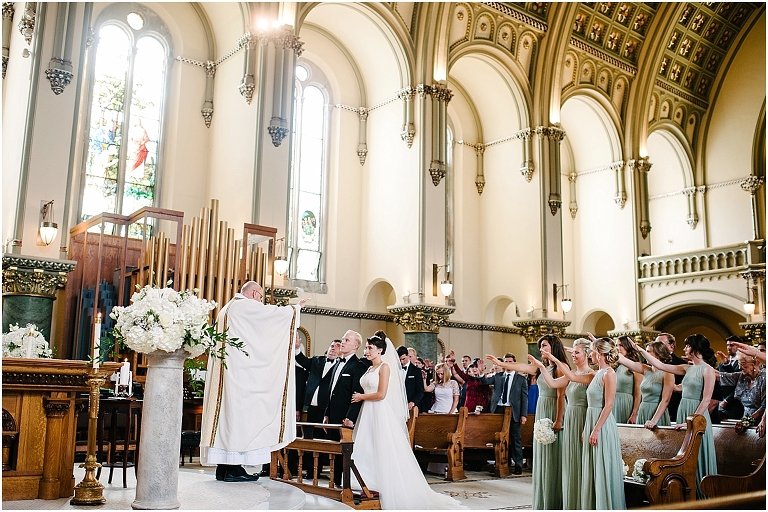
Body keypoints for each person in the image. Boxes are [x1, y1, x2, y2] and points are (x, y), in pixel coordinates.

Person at [199, 281, 309, 482]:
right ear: (254, 293)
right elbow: (270, 316)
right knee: (240, 420)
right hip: (239, 377)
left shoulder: (227, 309)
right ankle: (233, 469)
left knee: (227, 419)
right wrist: (295, 309)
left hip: (228, 374)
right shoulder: (245, 306)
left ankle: (224, 467)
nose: (261, 302)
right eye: (261, 297)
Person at [349, 332, 465, 509]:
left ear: (380, 350)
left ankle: (380, 483)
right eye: (366, 348)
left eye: (370, 348)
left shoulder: (384, 367)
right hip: (367, 411)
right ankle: (364, 481)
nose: (366, 351)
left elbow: (381, 394)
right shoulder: (369, 368)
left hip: (378, 410)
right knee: (366, 445)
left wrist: (361, 396)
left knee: (380, 446)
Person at [487, 334, 566, 510]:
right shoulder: (541, 367)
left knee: (555, 453)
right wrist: (500, 364)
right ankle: (545, 493)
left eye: (544, 345)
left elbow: (561, 396)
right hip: (542, 408)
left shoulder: (560, 367)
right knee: (543, 454)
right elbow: (521, 366)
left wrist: (559, 419)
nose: (541, 349)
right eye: (540, 346)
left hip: (553, 408)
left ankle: (557, 494)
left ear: (553, 347)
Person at [635, 334, 718, 498]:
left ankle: (702, 495)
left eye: (687, 346)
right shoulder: (686, 368)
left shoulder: (708, 370)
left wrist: (692, 421)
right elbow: (660, 365)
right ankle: (686, 491)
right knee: (683, 454)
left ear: (695, 348)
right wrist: (640, 350)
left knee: (697, 452)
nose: (684, 349)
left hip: (696, 415)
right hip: (683, 410)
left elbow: (707, 399)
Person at [527, 338, 593, 509]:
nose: (573, 355)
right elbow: (553, 383)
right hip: (570, 419)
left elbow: (595, 403)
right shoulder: (572, 373)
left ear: (587, 354)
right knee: (569, 463)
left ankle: (581, 504)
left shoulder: (592, 374)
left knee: (579, 462)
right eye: (573, 352)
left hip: (581, 419)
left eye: (576, 352)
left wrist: (554, 359)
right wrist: (542, 366)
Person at [579, 336, 626, 510]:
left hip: (603, 425)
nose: (590, 354)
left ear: (599, 353)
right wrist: (587, 428)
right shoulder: (597, 373)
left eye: (592, 351)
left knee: (602, 466)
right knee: (592, 467)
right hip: (592, 420)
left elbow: (609, 404)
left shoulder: (609, 373)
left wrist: (597, 429)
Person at [324, 330, 370, 486]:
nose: (342, 342)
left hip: (345, 415)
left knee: (344, 451)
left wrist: (350, 417)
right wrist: (327, 413)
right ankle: (334, 481)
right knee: (334, 449)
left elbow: (357, 393)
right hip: (333, 414)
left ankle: (343, 483)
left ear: (356, 346)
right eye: (343, 339)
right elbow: (331, 391)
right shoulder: (338, 363)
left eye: (347, 340)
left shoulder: (358, 366)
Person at [476, 353, 528, 474]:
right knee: (498, 437)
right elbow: (484, 382)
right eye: (506, 362)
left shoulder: (520, 379)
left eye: (510, 362)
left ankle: (518, 465)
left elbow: (524, 398)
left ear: (514, 363)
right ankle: (501, 463)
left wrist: (523, 414)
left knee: (515, 438)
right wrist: (481, 372)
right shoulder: (498, 376)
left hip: (513, 410)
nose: (508, 364)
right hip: (499, 409)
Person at [617, 340, 674, 429]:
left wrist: (653, 421)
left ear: (658, 354)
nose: (645, 354)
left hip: (657, 413)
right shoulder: (645, 369)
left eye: (648, 351)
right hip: (643, 410)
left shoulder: (668, 373)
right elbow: (624, 361)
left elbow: (665, 400)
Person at [717, 351, 766, 436]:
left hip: (761, 422)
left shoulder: (764, 378)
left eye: (743, 364)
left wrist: (746, 421)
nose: (740, 367)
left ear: (754, 364)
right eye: (739, 364)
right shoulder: (742, 376)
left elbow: (764, 407)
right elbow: (720, 376)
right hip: (745, 421)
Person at [614, 336, 642, 423]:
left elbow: (638, 394)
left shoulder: (635, 366)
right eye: (616, 345)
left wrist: (634, 414)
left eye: (621, 345)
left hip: (625, 403)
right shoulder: (614, 366)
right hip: (612, 402)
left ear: (628, 346)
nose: (618, 348)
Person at [716, 335, 745, 419]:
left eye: (732, 345)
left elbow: (738, 383)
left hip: (735, 404)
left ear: (739, 347)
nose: (728, 347)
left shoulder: (743, 363)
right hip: (721, 401)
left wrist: (727, 400)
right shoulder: (722, 363)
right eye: (727, 345)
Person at [657, 333, 684, 420]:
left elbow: (678, 393)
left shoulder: (680, 364)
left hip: (671, 410)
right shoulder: (649, 363)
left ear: (671, 347)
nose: (656, 347)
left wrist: (670, 411)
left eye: (660, 344)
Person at [397, 345, 424, 411]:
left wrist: (413, 402)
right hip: (397, 404)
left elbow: (420, 391)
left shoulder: (416, 371)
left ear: (408, 356)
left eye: (403, 359)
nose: (401, 362)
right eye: (399, 359)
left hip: (410, 406)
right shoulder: (395, 370)